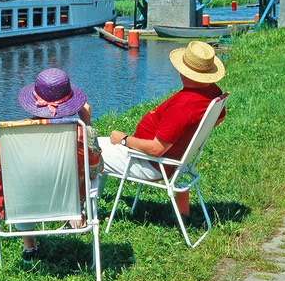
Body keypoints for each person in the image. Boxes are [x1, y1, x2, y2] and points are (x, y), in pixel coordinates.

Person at [0, 68, 104, 262]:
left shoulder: (9, 136)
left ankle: (29, 246)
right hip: (67, 201)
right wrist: (87, 124)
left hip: (24, 202)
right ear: (72, 102)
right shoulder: (82, 134)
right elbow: (95, 170)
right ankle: (75, 216)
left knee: (18, 183)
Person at [97, 40, 226, 218]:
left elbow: (156, 149)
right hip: (175, 161)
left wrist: (124, 139)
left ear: (183, 70)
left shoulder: (183, 106)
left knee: (87, 151)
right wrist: (186, 141)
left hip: (151, 164)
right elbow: (220, 117)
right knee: (94, 143)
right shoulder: (211, 92)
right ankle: (96, 198)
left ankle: (84, 212)